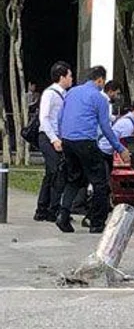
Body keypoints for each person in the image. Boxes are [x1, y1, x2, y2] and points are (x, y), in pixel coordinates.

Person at [56, 66, 130, 233]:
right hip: (86, 142)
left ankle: (63, 215)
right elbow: (105, 127)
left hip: (68, 141)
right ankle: (96, 222)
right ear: (100, 80)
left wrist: (62, 136)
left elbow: (60, 117)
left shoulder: (72, 92)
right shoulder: (99, 98)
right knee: (100, 182)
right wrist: (119, 148)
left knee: (73, 179)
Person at [33, 62, 72, 222]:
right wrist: (54, 139)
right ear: (61, 77)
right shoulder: (50, 93)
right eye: (69, 76)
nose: (71, 79)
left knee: (51, 173)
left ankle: (42, 209)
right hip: (48, 137)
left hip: (58, 137)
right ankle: (52, 209)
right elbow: (45, 118)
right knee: (58, 172)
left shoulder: (64, 94)